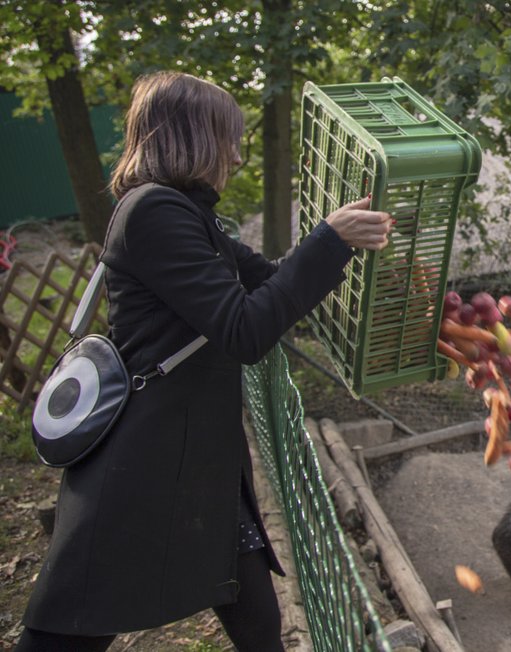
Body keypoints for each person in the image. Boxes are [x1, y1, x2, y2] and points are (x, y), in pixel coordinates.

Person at [15, 71, 392, 651]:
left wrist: (349, 258)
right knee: (66, 633)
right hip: (146, 461)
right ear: (191, 138)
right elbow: (245, 330)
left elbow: (270, 282)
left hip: (196, 455)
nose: (237, 155)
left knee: (258, 619)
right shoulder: (152, 214)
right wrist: (329, 240)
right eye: (228, 138)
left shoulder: (193, 217)